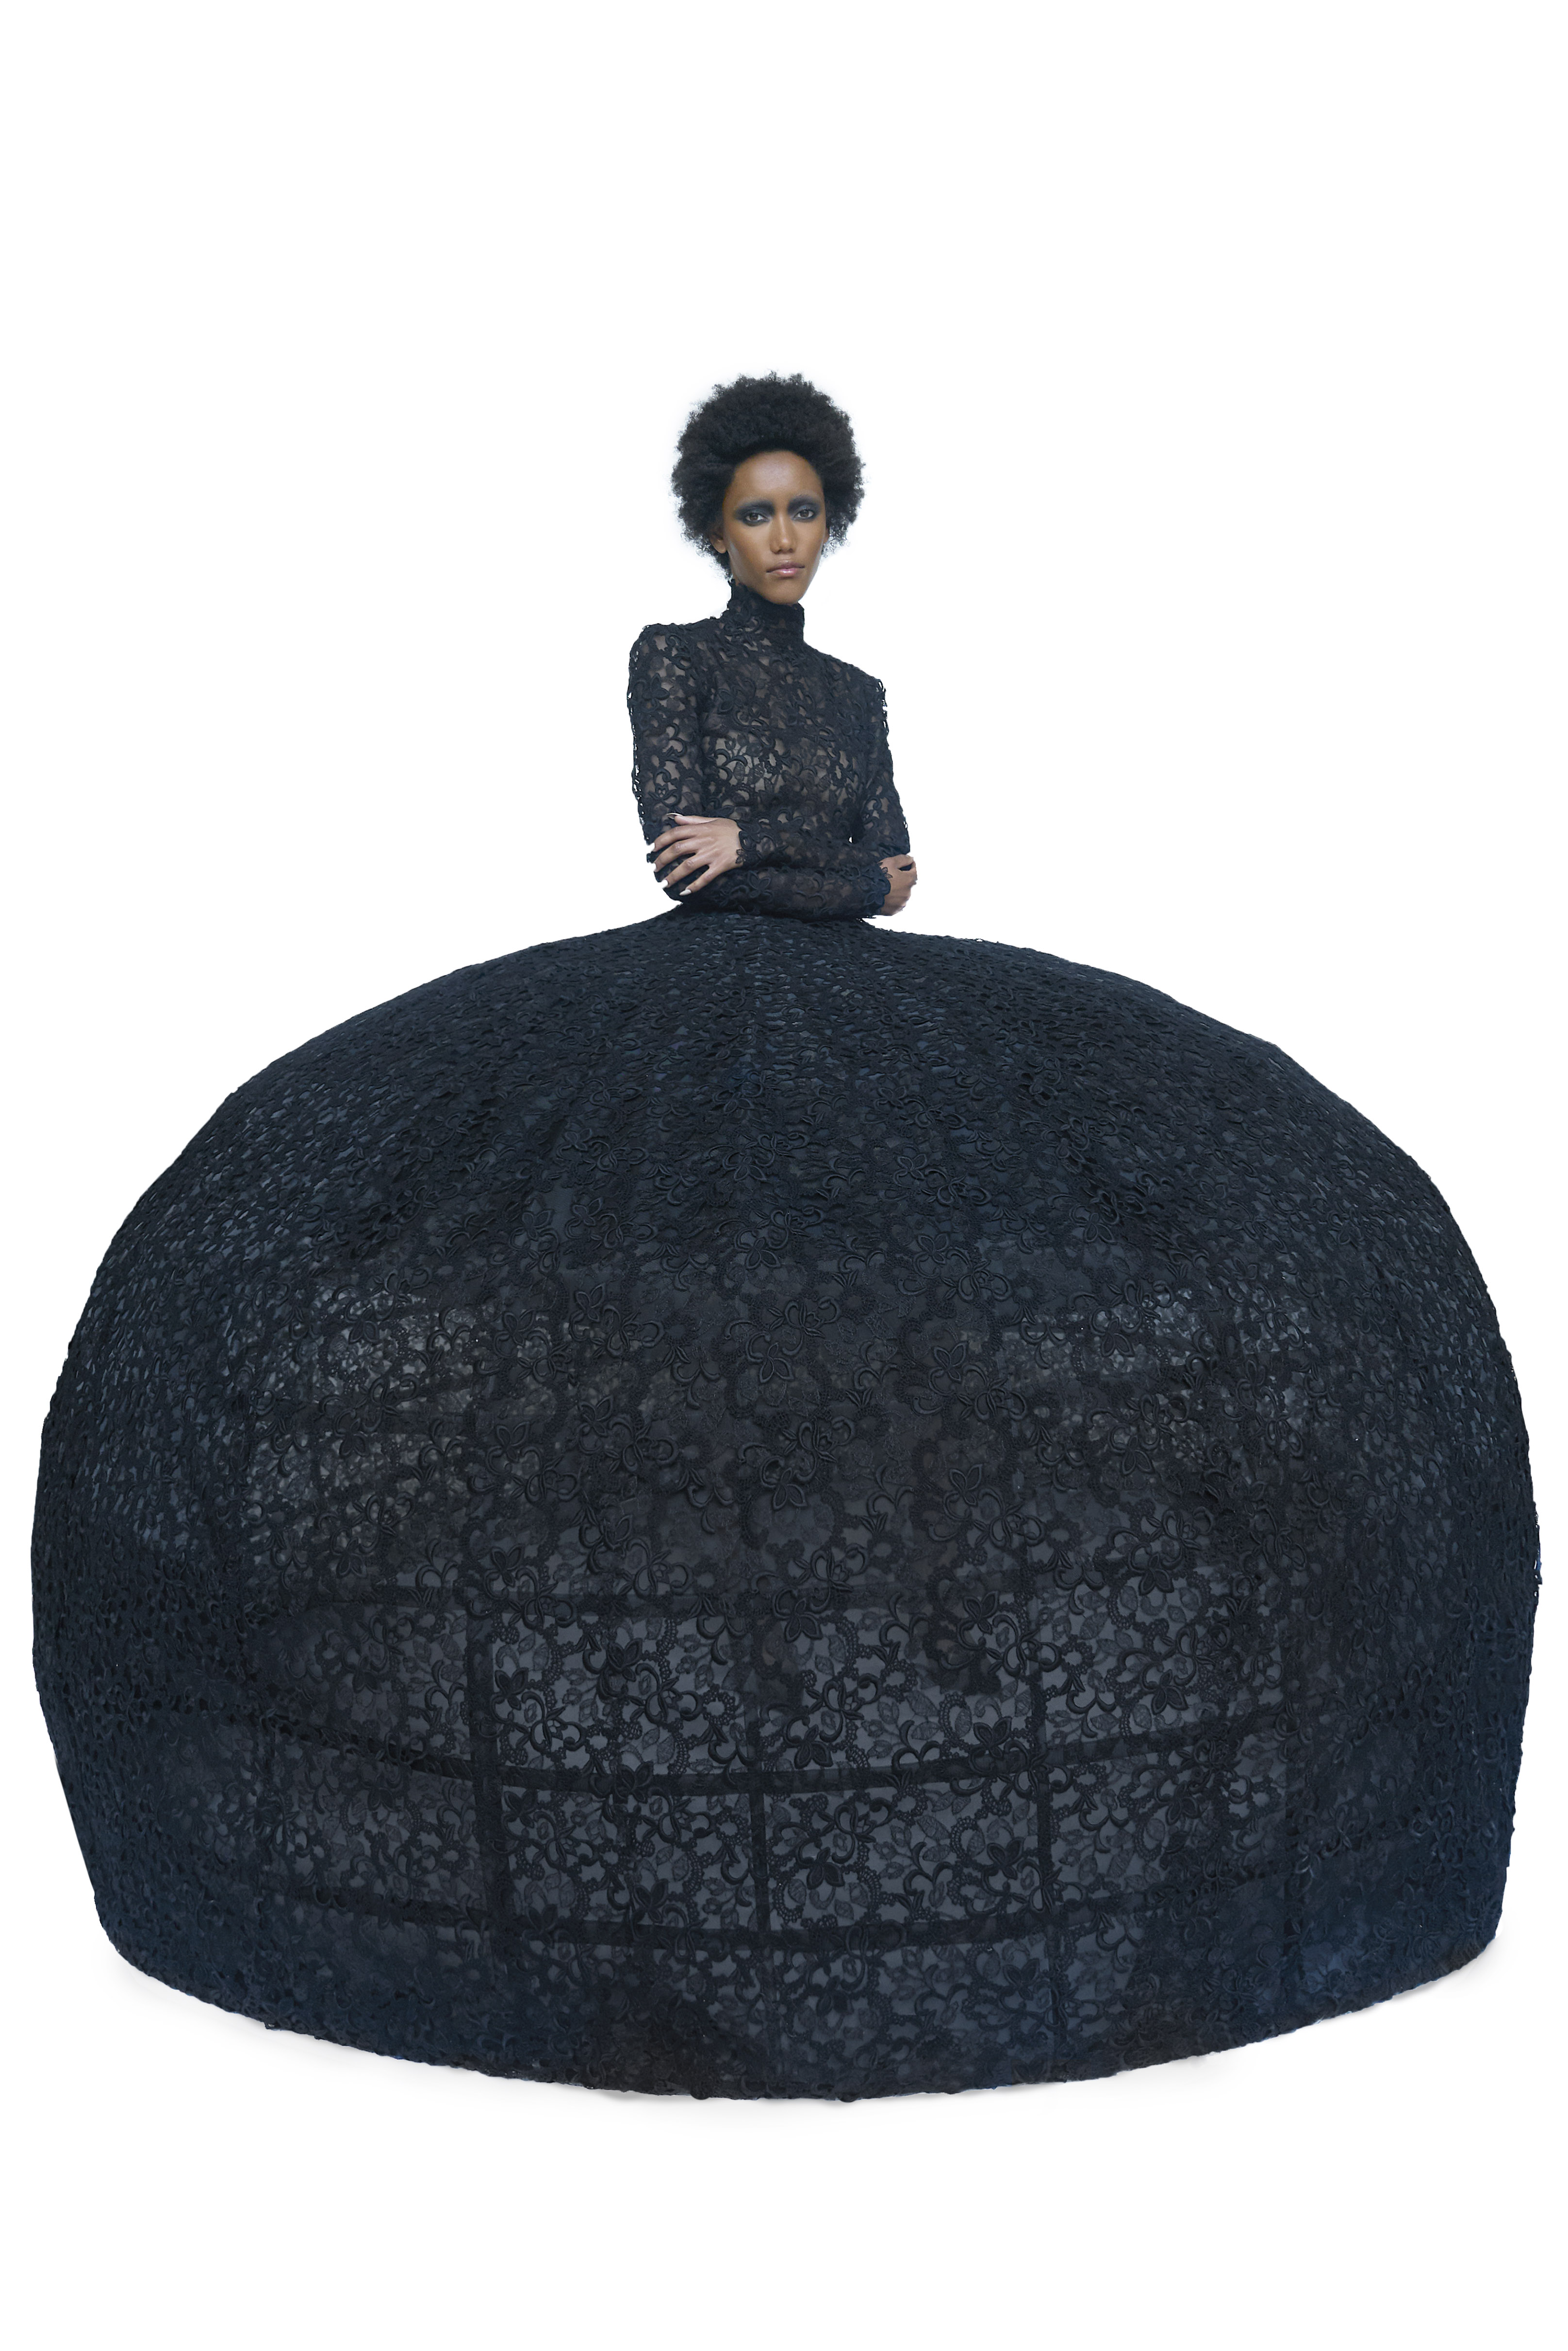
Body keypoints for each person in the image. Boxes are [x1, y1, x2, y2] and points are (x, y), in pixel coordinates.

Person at [33, 374, 1538, 2100]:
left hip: (865, 999)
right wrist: (786, 860)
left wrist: (780, 850)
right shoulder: (673, 663)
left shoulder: (857, 693)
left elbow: (885, 875)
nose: (783, 537)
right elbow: (700, 862)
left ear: (835, 520)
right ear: (713, 526)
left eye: (805, 509)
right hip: (681, 1006)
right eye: (755, 511)